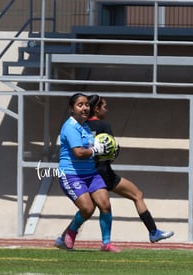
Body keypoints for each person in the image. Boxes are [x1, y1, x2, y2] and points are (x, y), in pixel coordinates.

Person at [86, 94, 174, 243]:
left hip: (89, 172)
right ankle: (152, 232)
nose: (106, 110)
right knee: (136, 195)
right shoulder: (104, 126)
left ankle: (66, 236)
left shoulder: (81, 126)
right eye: (104, 107)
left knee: (88, 209)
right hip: (104, 172)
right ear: (96, 108)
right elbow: (111, 152)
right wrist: (115, 151)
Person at [54, 93, 120, 252]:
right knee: (87, 209)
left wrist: (108, 150)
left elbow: (94, 149)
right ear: (72, 108)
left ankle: (106, 243)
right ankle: (70, 233)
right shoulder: (70, 127)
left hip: (91, 173)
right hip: (71, 174)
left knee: (105, 204)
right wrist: (96, 150)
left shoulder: (85, 126)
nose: (85, 108)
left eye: (86, 105)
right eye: (80, 105)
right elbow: (78, 153)